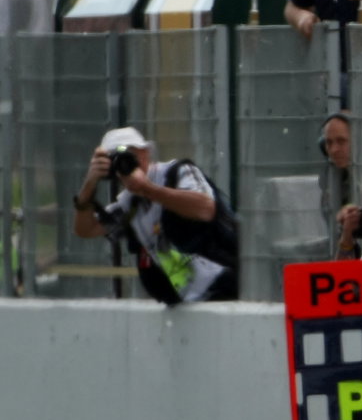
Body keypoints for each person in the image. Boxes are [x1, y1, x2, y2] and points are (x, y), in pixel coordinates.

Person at [70, 127, 237, 303]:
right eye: (116, 162)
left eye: (129, 156)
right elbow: (86, 230)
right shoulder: (129, 203)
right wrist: (89, 185)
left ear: (145, 153)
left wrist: (148, 189)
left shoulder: (177, 172)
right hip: (187, 302)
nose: (123, 166)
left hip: (225, 286)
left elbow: (206, 208)